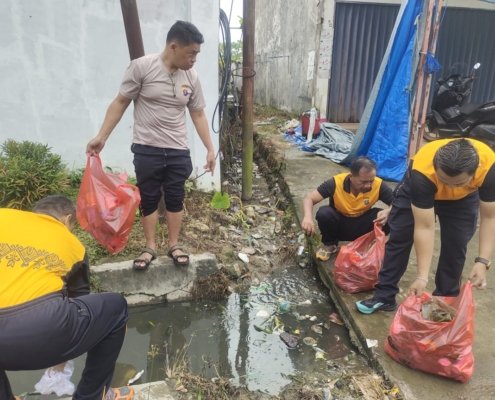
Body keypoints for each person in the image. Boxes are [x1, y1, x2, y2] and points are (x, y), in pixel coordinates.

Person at [86, 20, 216, 270]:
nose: (194, 59)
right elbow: (120, 102)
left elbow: (198, 114)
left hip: (178, 149)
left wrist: (210, 149)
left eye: (197, 54)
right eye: (191, 53)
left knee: (176, 197)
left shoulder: (191, 76)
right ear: (174, 46)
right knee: (149, 197)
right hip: (147, 148)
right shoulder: (142, 67)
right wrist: (102, 136)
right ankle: (150, 247)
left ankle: (174, 244)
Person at [0, 195, 131, 400]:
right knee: (116, 308)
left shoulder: (4, 217)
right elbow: (77, 304)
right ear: (68, 219)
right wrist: (60, 365)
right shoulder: (72, 244)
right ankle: (92, 396)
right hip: (41, 326)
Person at [356, 138, 495, 314]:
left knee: (456, 243)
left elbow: (490, 217)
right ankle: (384, 296)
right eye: (443, 180)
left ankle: (444, 301)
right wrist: (422, 277)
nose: (449, 187)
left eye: (458, 183)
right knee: (400, 237)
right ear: (435, 167)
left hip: (463, 200)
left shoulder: (489, 168)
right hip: (419, 190)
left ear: (475, 172)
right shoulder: (422, 171)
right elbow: (424, 227)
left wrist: (483, 261)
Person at [301, 156, 394, 261]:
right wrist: (307, 217)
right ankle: (330, 245)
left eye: (371, 181)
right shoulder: (336, 182)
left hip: (362, 225)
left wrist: (388, 211)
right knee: (324, 213)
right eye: (363, 182)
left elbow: (397, 203)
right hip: (340, 226)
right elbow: (309, 198)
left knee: (391, 215)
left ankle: (369, 245)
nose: (368, 185)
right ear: (351, 177)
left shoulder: (378, 185)